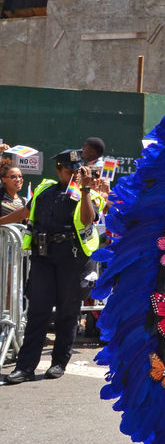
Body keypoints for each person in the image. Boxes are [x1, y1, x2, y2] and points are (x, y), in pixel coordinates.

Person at [2, 150, 102, 384]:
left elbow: (88, 219)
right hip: (43, 257)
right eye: (69, 171)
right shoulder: (44, 190)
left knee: (68, 314)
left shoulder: (87, 193)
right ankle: (25, 367)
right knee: (38, 312)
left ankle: (59, 363)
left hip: (72, 259)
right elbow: (25, 212)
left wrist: (86, 189)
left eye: (77, 171)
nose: (74, 176)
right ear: (58, 170)